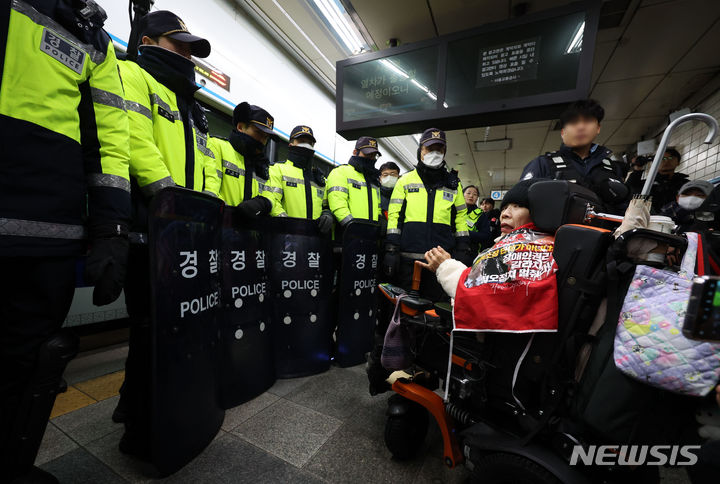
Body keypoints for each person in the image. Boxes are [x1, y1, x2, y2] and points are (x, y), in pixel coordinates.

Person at [0, 1, 131, 481]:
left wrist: (111, 229)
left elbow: (108, 140)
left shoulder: (91, 34)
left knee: (30, 363)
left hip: (46, 236)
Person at [114, 10, 217, 457]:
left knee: (178, 327)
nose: (188, 56)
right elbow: (136, 141)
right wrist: (173, 204)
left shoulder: (193, 106)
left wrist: (203, 211)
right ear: (151, 41)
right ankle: (140, 422)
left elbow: (208, 165)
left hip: (187, 232)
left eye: (193, 50)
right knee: (150, 328)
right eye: (181, 46)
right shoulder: (131, 74)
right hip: (151, 229)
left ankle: (137, 403)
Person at [419, 179, 557, 336]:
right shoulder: (518, 244)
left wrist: (445, 267)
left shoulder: (534, 248)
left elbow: (484, 298)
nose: (504, 214)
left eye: (517, 207)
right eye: (504, 207)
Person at [384, 128, 471, 299]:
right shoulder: (405, 181)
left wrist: (463, 248)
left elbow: (461, 218)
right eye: (430, 149)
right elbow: (395, 217)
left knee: (437, 313)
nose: (435, 153)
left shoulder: (454, 185)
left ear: (445, 152)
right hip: (409, 262)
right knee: (407, 313)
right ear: (420, 151)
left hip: (441, 262)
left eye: (439, 149)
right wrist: (391, 250)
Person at [520, 99, 629, 212]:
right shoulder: (543, 164)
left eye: (587, 120)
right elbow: (521, 205)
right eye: (573, 122)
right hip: (558, 229)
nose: (581, 127)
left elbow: (623, 209)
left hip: (606, 228)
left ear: (598, 128)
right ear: (562, 132)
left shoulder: (612, 168)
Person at [209, 102, 278, 218]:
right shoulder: (217, 146)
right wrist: (230, 217)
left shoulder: (262, 164)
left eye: (266, 138)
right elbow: (211, 187)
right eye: (258, 133)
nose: (262, 141)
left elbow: (270, 194)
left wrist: (264, 202)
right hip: (220, 227)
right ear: (240, 127)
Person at [267, 125, 333, 232]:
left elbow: (326, 206)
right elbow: (273, 201)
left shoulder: (320, 179)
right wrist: (287, 224)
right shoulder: (277, 169)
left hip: (314, 240)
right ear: (291, 144)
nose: (306, 146)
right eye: (301, 141)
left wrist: (327, 214)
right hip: (285, 237)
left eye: (309, 143)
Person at [325, 136, 383, 230]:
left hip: (370, 235)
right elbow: (338, 204)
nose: (371, 158)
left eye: (373, 155)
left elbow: (378, 208)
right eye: (367, 154)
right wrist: (351, 226)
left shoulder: (374, 179)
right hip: (346, 233)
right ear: (355, 152)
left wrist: (379, 224)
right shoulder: (341, 172)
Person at [627, 148, 689, 213]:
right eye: (662, 159)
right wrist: (637, 169)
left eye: (670, 158)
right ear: (655, 162)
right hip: (651, 220)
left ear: (678, 162)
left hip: (677, 221)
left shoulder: (685, 184)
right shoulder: (647, 184)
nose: (666, 161)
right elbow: (629, 190)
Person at [463, 185, 491, 255]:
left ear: (477, 198)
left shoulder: (481, 215)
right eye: (468, 193)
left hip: (469, 252)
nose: (471, 196)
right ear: (462, 195)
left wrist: (467, 234)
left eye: (475, 194)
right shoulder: (454, 210)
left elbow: (485, 236)